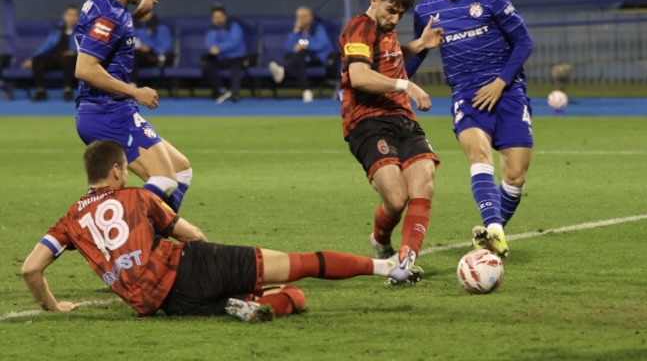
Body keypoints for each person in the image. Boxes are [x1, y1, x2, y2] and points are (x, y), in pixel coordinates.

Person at [20, 140, 419, 322]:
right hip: (191, 266)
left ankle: (248, 306)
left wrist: (52, 306)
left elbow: (30, 269)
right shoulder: (137, 197)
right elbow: (190, 234)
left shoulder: (70, 220)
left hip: (160, 304)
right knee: (299, 267)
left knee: (288, 297)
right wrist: (218, 263)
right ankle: (386, 267)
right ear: (116, 171)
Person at [409, 0, 534, 258]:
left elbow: (524, 42)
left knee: (516, 175)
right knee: (479, 155)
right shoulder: (426, 10)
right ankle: (494, 230)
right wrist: (396, 82)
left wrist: (500, 83)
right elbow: (417, 55)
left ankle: (492, 235)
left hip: (508, 91)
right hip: (467, 95)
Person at [75, 0, 192, 214]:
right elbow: (85, 69)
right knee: (164, 179)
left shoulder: (103, 5)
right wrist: (136, 92)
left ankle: (152, 235)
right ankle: (115, 229)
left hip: (111, 109)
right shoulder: (109, 15)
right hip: (107, 111)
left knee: (181, 171)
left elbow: (113, 35)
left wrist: (138, 13)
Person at [339, 0, 444, 275]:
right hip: (368, 121)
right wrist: (406, 86)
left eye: (400, 13)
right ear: (375, 0)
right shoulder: (360, 27)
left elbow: (389, 56)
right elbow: (360, 76)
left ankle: (405, 261)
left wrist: (420, 45)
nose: (395, 19)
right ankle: (381, 239)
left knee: (424, 180)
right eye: (390, 10)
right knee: (396, 199)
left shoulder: (386, 28)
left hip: (403, 119)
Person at [268, 6, 333, 103]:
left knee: (301, 55)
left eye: (305, 16)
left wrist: (306, 46)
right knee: (295, 59)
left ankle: (283, 69)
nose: (302, 19)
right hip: (301, 59)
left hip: (317, 58)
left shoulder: (318, 28)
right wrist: (295, 31)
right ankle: (306, 91)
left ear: (310, 17)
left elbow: (323, 44)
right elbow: (288, 48)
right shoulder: (298, 31)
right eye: (300, 17)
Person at [21, 5, 79, 101]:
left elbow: (82, 47)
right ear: (64, 16)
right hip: (55, 58)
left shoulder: (80, 31)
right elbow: (46, 46)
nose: (71, 17)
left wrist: (74, 52)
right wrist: (32, 59)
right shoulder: (57, 30)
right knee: (38, 60)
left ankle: (67, 91)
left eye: (74, 15)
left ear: (78, 18)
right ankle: (40, 92)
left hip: (70, 59)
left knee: (68, 59)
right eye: (69, 14)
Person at [202, 6, 246, 104]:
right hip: (220, 58)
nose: (217, 19)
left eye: (219, 17)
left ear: (224, 17)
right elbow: (208, 44)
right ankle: (222, 91)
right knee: (208, 66)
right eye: (215, 17)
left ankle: (235, 93)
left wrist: (220, 48)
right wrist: (212, 49)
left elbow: (235, 42)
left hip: (235, 57)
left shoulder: (234, 26)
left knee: (236, 67)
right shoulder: (212, 29)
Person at [132, 11, 173, 86]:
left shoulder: (162, 28)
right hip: (142, 56)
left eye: (147, 12)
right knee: (131, 55)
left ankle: (132, 83)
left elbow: (166, 48)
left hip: (157, 57)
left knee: (136, 56)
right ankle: (128, 83)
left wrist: (150, 48)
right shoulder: (138, 28)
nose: (143, 15)